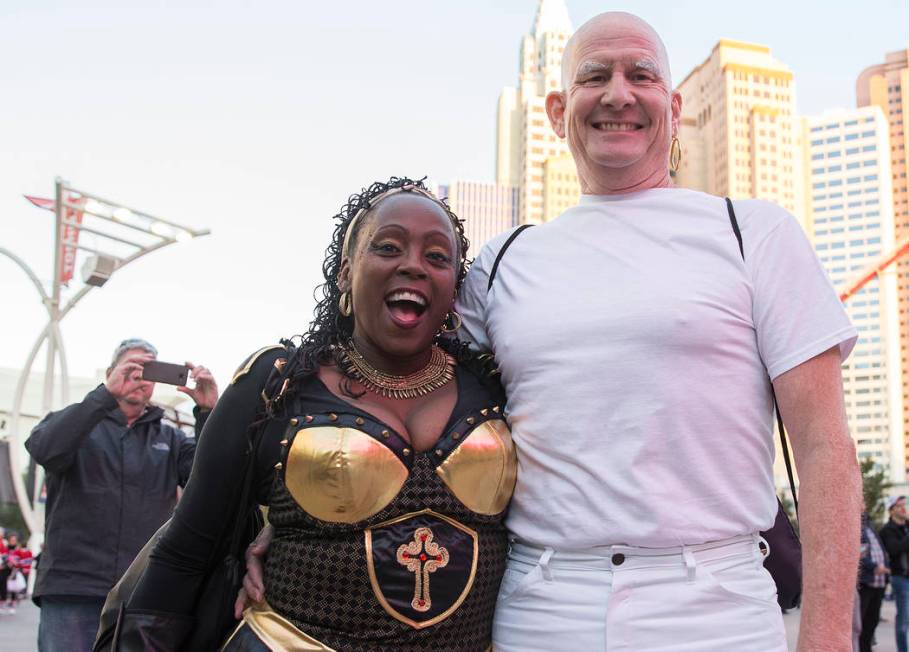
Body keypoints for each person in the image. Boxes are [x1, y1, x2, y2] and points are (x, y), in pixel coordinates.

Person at [241, 13, 862, 650]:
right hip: (540, 606)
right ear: (558, 110)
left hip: (714, 604)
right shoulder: (503, 262)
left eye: (640, 75)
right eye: (596, 76)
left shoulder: (753, 233)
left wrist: (828, 634)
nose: (618, 94)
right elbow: (410, 396)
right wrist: (285, 517)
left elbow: (823, 447)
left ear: (673, 108)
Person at [112, 177, 516, 651]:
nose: (414, 265)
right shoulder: (277, 384)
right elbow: (185, 553)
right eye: (388, 247)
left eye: (437, 256)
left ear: (454, 288)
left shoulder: (497, 384)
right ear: (345, 272)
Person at [25, 338, 218, 652]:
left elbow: (210, 481)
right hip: (73, 590)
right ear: (111, 372)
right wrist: (104, 396)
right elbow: (45, 449)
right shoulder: (76, 423)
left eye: (149, 371)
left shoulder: (170, 438)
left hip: (141, 595)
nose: (139, 380)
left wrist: (209, 413)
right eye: (132, 368)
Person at [858, 510, 889, 652]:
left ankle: (866, 648)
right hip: (866, 581)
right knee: (862, 622)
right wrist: (874, 566)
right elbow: (860, 552)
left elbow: (880, 549)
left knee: (872, 620)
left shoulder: (869, 525)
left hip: (879, 581)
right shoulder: (857, 524)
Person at [881, 495, 909, 652]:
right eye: (899, 506)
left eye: (904, 505)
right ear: (892, 511)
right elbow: (894, 549)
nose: (904, 508)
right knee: (904, 619)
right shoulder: (887, 530)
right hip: (901, 579)